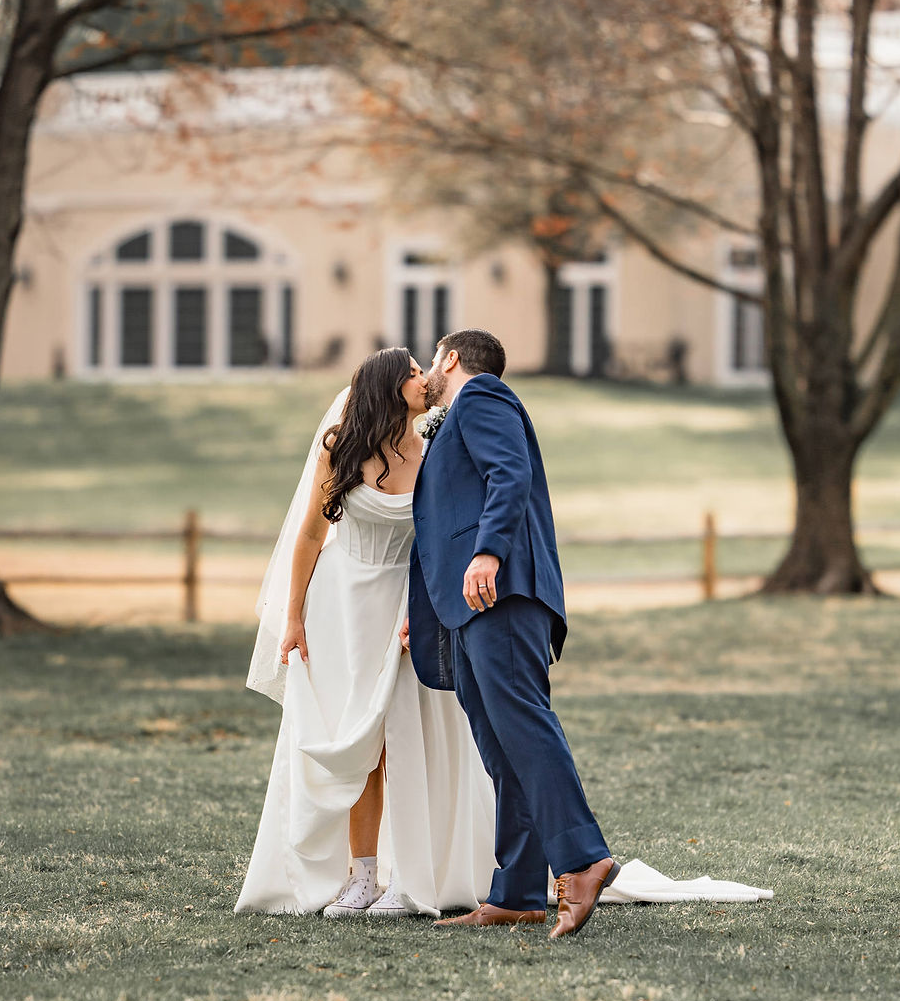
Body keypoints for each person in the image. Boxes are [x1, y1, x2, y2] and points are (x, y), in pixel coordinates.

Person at [234, 348, 496, 918]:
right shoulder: (341, 448)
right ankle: (363, 875)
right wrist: (294, 617)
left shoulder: (434, 453)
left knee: (406, 738)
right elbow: (308, 536)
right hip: (341, 608)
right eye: (409, 373)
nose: (421, 378)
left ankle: (413, 874)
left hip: (406, 608)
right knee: (359, 743)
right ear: (386, 387)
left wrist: (424, 610)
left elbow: (443, 542)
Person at [406, 328, 619, 940]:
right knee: (500, 745)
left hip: (500, 591)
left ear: (450, 358)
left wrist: (488, 553)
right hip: (469, 604)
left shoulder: (482, 397)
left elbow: (509, 473)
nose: (426, 373)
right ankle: (520, 891)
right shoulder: (458, 417)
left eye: (430, 359)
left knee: (522, 723)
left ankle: (582, 860)